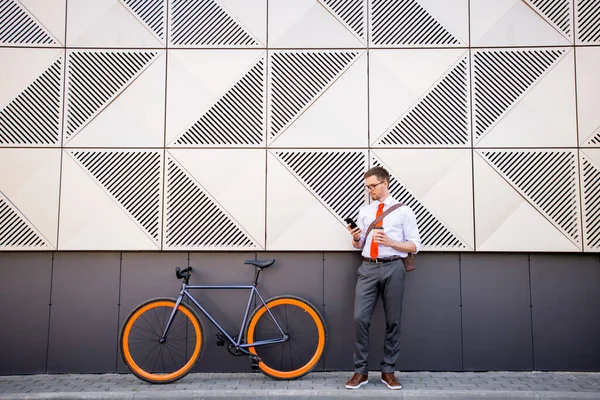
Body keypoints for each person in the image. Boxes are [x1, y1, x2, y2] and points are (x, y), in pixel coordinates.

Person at [345, 166, 421, 390]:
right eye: (367, 187)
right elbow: (360, 246)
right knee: (360, 318)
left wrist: (392, 243)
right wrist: (356, 238)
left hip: (393, 267)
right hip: (368, 267)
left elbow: (415, 245)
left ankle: (389, 370)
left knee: (393, 320)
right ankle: (361, 371)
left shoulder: (403, 211)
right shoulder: (365, 211)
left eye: (373, 186)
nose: (370, 191)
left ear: (385, 184)